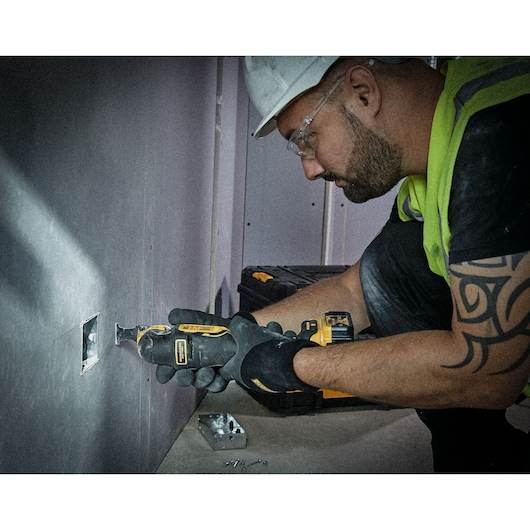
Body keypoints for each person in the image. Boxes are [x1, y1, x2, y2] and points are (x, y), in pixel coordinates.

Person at [166, 57, 530, 472]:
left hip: (499, 374)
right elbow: (357, 291)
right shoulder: (444, 143)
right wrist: (237, 337)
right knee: (390, 269)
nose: (309, 169)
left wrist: (290, 362)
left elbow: (488, 372)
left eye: (306, 138)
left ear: (363, 92)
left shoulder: (497, 132)